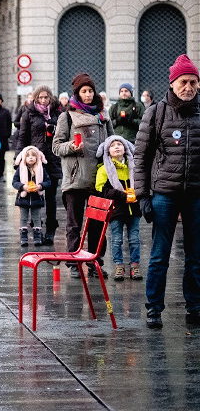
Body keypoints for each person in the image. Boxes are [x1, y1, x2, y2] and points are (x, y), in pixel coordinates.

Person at [134, 54, 200, 329]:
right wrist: (142, 195)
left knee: (196, 257)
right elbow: (141, 156)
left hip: (196, 195)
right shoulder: (157, 112)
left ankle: (195, 307)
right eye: (184, 82)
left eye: (194, 82)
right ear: (172, 84)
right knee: (160, 254)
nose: (189, 87)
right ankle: (153, 308)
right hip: (164, 194)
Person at [52, 73, 113, 279]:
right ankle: (73, 262)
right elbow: (56, 146)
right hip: (76, 179)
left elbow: (112, 142)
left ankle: (95, 261)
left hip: (99, 179)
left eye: (90, 91)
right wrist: (72, 146)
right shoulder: (66, 116)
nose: (88, 95)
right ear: (77, 94)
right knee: (74, 224)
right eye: (83, 91)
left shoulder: (102, 116)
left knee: (98, 224)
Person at [17, 86, 62, 245]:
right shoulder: (28, 113)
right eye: (40, 98)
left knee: (51, 197)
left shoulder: (57, 113)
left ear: (50, 98)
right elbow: (22, 137)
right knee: (35, 195)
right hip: (34, 161)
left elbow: (64, 133)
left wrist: (53, 126)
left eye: (46, 98)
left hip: (53, 159)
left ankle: (50, 230)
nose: (43, 100)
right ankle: (37, 228)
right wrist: (19, 157)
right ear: (36, 98)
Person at [95, 135, 141, 282]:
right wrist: (122, 195)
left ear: (126, 148)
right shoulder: (104, 169)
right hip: (116, 211)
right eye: (113, 145)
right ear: (107, 151)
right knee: (116, 240)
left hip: (134, 209)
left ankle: (135, 265)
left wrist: (136, 193)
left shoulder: (133, 167)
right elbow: (102, 189)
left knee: (134, 239)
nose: (116, 147)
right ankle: (118, 265)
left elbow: (141, 183)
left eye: (119, 144)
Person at [13, 146, 50, 247]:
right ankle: (23, 238)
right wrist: (23, 187)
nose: (31, 158)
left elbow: (48, 182)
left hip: (36, 198)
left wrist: (40, 186)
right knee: (23, 218)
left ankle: (37, 237)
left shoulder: (41, 169)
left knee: (37, 218)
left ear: (38, 158)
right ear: (24, 158)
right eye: (28, 156)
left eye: (33, 156)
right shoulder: (21, 169)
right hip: (23, 198)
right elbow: (15, 182)